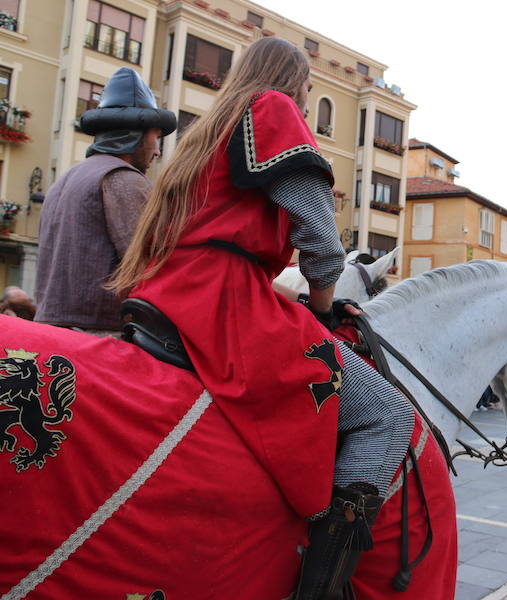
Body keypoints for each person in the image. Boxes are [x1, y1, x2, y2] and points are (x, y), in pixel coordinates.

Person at [106, 38, 437, 598]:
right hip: (223, 301)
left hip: (170, 291)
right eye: (308, 90)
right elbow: (321, 239)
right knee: (386, 412)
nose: (306, 105)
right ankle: (323, 590)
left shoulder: (211, 126)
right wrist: (324, 309)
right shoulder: (272, 109)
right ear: (293, 79)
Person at [34, 67, 175, 336]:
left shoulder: (65, 179)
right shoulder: (123, 178)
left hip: (51, 336)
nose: (157, 150)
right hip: (99, 338)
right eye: (155, 137)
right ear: (134, 134)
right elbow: (152, 264)